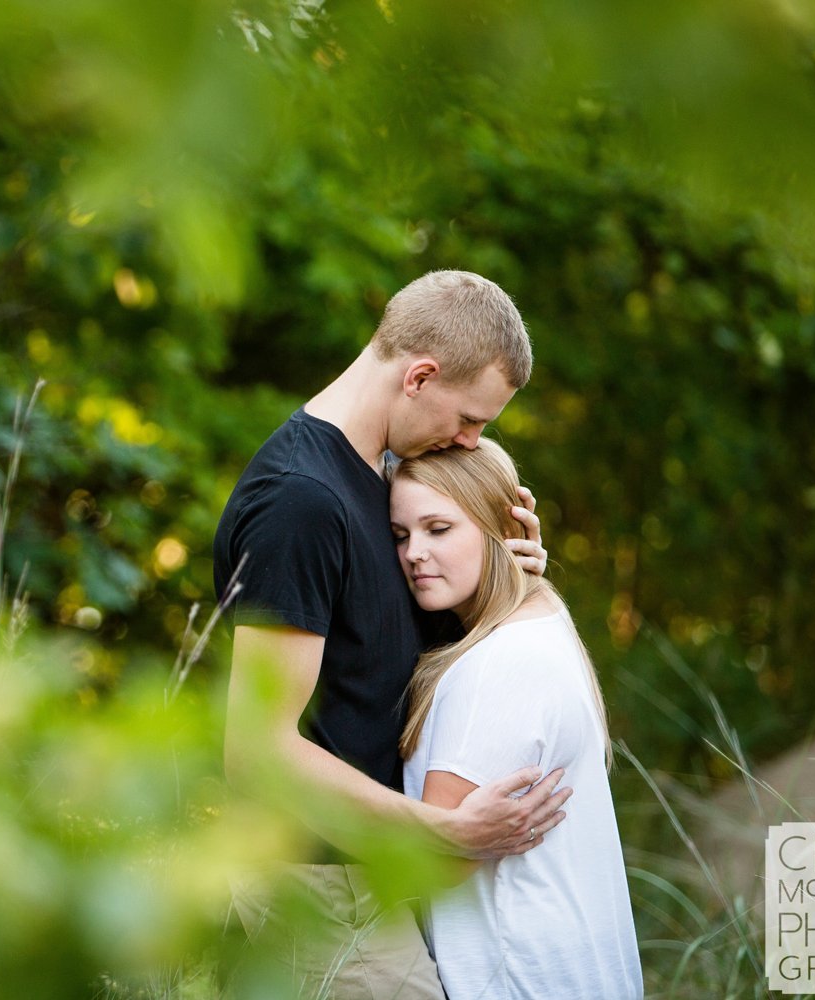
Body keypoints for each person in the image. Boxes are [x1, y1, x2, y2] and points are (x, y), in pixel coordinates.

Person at [214, 270, 571, 998]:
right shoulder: (301, 501)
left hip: (360, 879)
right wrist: (446, 832)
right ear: (421, 375)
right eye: (471, 418)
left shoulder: (376, 484)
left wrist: (502, 584)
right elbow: (256, 749)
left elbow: (382, 668)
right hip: (313, 885)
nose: (469, 440)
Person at [392, 439, 642, 999]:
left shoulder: (495, 666)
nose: (413, 553)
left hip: (518, 975)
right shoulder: (544, 619)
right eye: (401, 535)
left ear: (501, 525)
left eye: (438, 528)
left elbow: (436, 869)